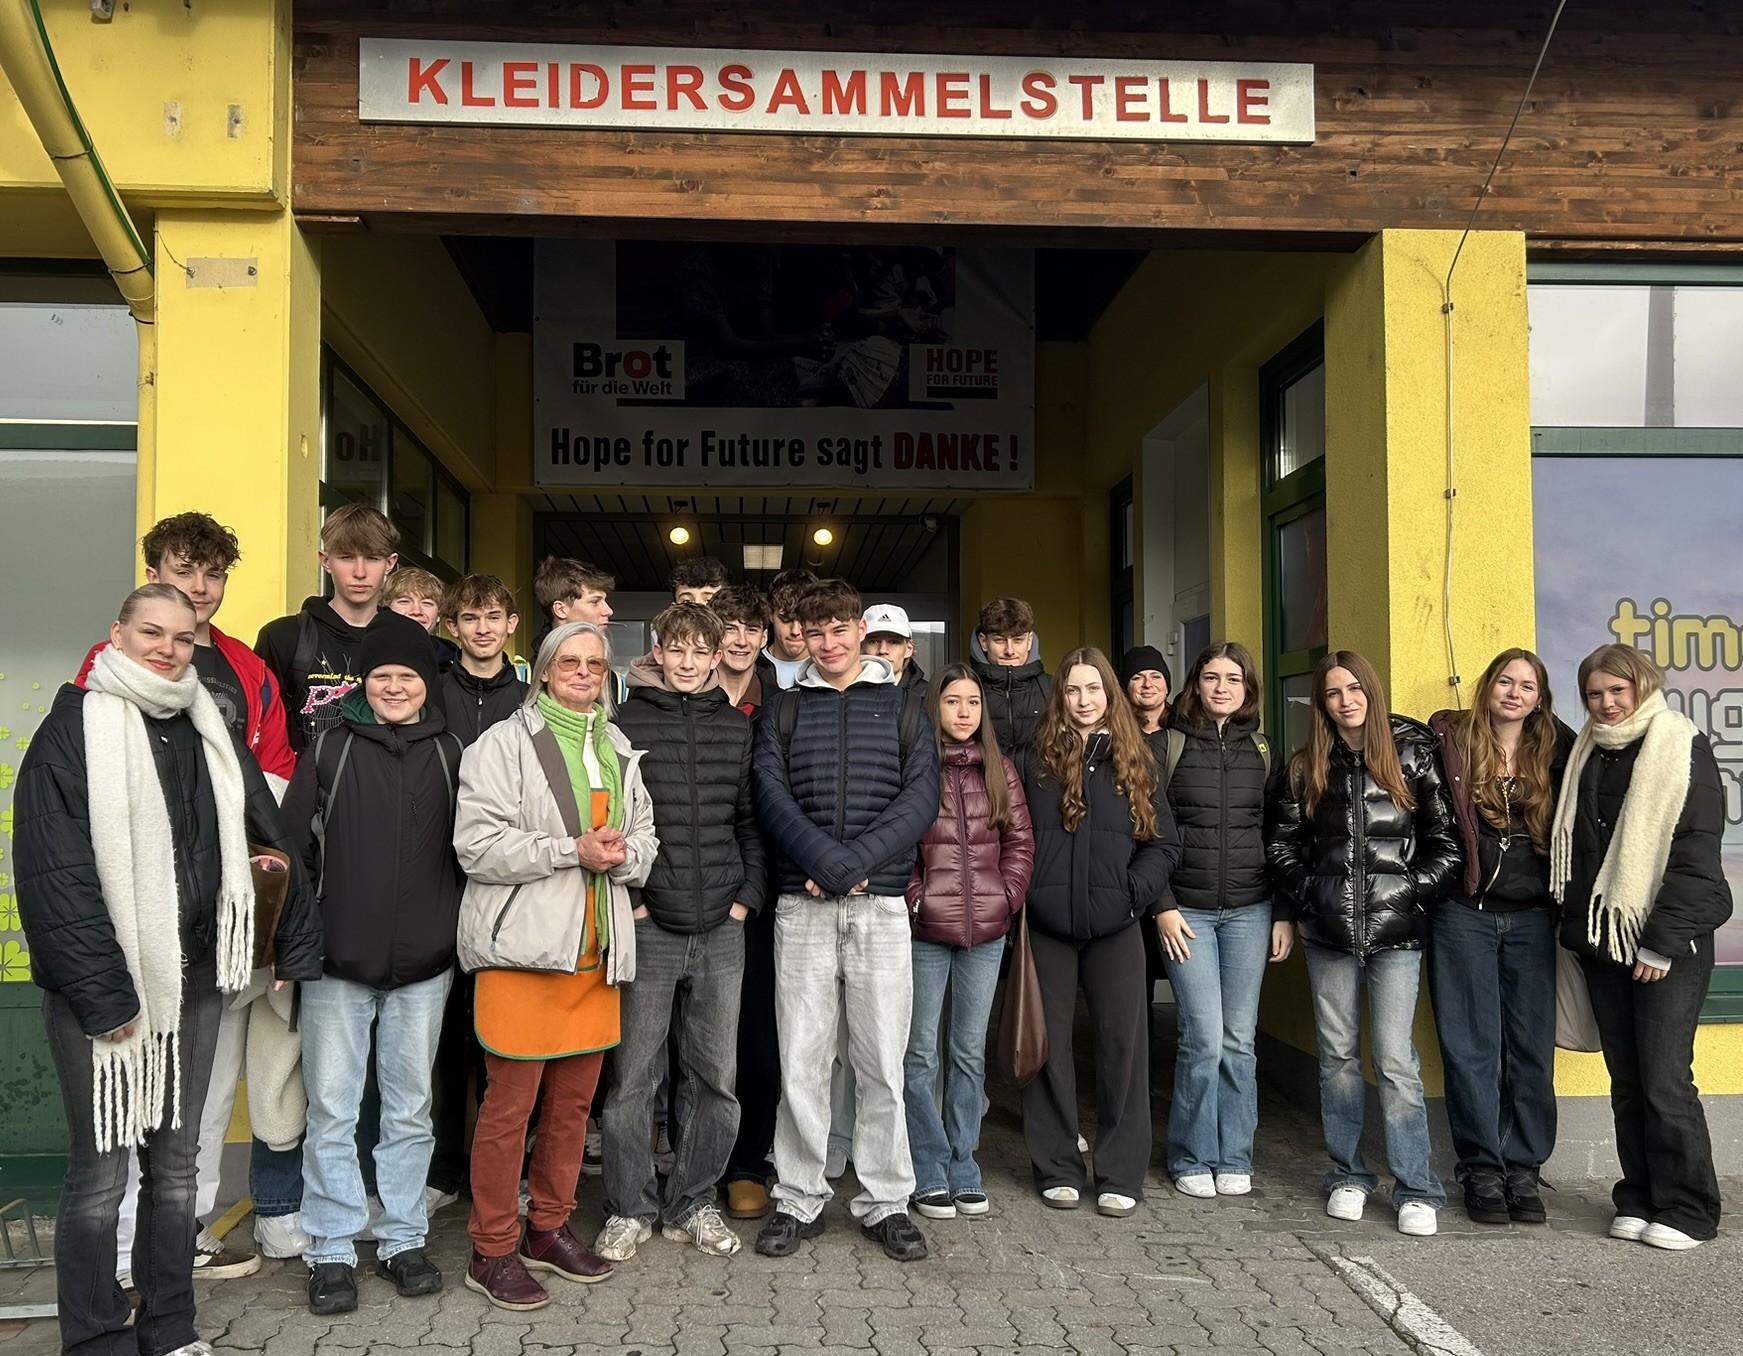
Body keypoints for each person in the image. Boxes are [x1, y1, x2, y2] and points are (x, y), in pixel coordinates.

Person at [15, 584, 321, 1356]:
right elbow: (55, 876)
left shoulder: (207, 729)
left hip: (193, 981)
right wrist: (103, 995)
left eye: (182, 638)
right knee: (100, 1175)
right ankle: (91, 1336)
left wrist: (290, 940)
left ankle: (169, 1326)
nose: (167, 648)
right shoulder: (72, 731)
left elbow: (268, 831)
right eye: (151, 632)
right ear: (117, 632)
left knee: (178, 1170)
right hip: (105, 991)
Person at [73, 513, 301, 1277]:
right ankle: (120, 1245)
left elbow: (272, 779)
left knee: (206, 1087)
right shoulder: (103, 667)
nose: (198, 589)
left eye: (212, 575)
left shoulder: (248, 669)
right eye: (182, 570)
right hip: (132, 914)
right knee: (135, 1081)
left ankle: (185, 1235)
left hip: (220, 912)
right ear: (153, 573)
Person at [452, 622, 657, 1311]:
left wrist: (626, 854)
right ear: (540, 671)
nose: (582, 672)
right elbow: (476, 846)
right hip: (523, 953)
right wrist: (573, 850)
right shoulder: (501, 745)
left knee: (571, 1108)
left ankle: (548, 1228)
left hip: (595, 955)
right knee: (509, 1110)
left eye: (594, 663)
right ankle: (492, 1248)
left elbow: (646, 839)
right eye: (568, 662)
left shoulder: (617, 744)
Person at [750, 578, 939, 1263]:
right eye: (814, 632)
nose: (828, 643)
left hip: (880, 904)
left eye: (839, 629)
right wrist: (826, 864)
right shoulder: (783, 711)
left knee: (880, 1063)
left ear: (860, 629)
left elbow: (920, 800)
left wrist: (854, 862)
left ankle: (886, 1201)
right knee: (801, 1059)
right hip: (801, 905)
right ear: (800, 636)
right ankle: (797, 1198)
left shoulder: (906, 708)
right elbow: (768, 796)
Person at [281, 612, 465, 1314]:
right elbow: (296, 855)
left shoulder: (451, 750)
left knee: (410, 1109)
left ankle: (401, 1237)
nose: (394, 688)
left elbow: (468, 854)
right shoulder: (330, 747)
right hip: (338, 962)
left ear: (426, 684)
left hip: (425, 965)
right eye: (382, 676)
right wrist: (298, 946)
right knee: (330, 1109)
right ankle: (329, 1248)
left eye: (407, 677)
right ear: (365, 682)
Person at [1265, 650, 1461, 1237]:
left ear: (1371, 693)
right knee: (1338, 1059)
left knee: (1396, 1060)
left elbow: (1446, 846)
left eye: (1356, 689)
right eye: (1333, 693)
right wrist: (1313, 897)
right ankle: (1347, 1175)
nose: (1346, 700)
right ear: (1321, 704)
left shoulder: (1413, 755)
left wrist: (1406, 895)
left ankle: (1416, 1187)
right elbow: (1280, 847)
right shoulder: (1305, 768)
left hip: (1396, 936)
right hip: (1327, 935)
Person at [1550, 644, 1732, 1251]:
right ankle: (1640, 1196)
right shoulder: (1587, 753)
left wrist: (1657, 944)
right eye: (1594, 694)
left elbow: (1696, 857)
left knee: (1664, 1080)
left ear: (1642, 688)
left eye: (1616, 692)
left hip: (1665, 946)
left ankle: (1690, 1209)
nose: (1604, 704)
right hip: (1605, 942)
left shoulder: (1682, 745)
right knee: (1626, 1080)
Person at [601, 603, 767, 1259]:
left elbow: (751, 822)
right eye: (678, 650)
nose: (691, 663)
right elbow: (613, 818)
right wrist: (636, 903)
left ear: (716, 654)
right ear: (659, 651)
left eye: (702, 652)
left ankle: (692, 1203)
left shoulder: (734, 726)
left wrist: (744, 901)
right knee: (632, 1079)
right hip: (651, 924)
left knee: (713, 1078)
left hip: (722, 924)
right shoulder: (625, 723)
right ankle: (628, 1208)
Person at [1021, 647, 1178, 1219]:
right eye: (1072, 690)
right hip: (1047, 926)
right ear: (1059, 696)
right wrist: (1029, 894)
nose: (1083, 701)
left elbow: (1163, 844)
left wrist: (1133, 895)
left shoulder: (1137, 759)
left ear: (1109, 695)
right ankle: (1057, 1165)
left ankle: (1119, 1171)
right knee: (1047, 1047)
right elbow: (1011, 837)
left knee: (1123, 1048)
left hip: (1116, 928)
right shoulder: (1034, 759)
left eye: (1094, 690)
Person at [1428, 648, 1574, 1226]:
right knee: (1471, 1047)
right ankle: (1482, 1169)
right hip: (1464, 912)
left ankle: (1524, 1169)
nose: (1515, 693)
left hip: (1535, 917)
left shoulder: (1558, 751)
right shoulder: (1453, 744)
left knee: (1530, 1050)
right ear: (1488, 686)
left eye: (1528, 686)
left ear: (1540, 698)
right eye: (1506, 682)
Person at [1155, 642, 1287, 1200]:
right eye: (1211, 677)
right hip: (1186, 913)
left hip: (1251, 912)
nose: (1222, 687)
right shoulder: (1168, 745)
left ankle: (1235, 1156)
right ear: (1195, 684)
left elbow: (1282, 836)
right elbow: (1146, 828)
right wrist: (1160, 905)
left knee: (1239, 1041)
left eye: (1233, 679)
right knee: (1203, 1038)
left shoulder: (1262, 748)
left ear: (1247, 688)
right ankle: (1190, 1155)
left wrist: (1284, 913)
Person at [904, 663, 1033, 1220]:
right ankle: (927, 1166)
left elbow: (1020, 842)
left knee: (966, 1052)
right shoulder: (916, 766)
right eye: (953, 701)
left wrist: (1004, 897)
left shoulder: (1000, 769)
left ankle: (964, 1163)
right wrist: (917, 897)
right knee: (918, 1053)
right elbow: (898, 843)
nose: (963, 712)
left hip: (985, 932)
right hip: (925, 931)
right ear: (936, 708)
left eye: (973, 703)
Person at [426, 573, 529, 1210]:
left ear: (512, 624)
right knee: (443, 1038)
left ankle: (508, 1171)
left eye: (494, 616)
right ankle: (443, 1169)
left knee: (508, 1037)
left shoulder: (532, 698)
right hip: (442, 877)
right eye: (470, 618)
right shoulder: (432, 693)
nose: (483, 628)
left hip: (515, 886)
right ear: (452, 627)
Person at [709, 585, 783, 1219]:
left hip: (760, 895)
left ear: (765, 637)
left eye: (750, 628)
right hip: (689, 892)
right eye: (727, 627)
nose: (740, 638)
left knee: (758, 1032)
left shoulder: (781, 707)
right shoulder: (683, 701)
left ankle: (747, 1162)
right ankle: (694, 1158)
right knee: (696, 1038)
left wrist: (753, 893)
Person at [256, 503, 398, 753]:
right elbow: (262, 729)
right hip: (303, 787)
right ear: (325, 560)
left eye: (373, 558)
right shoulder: (283, 637)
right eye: (347, 557)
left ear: (390, 563)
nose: (360, 572)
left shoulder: (407, 639)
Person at [970, 597, 1051, 780]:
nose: (1010, 650)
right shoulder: (964, 689)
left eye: (1018, 640)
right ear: (983, 642)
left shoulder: (1053, 688)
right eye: (999, 640)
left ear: (1029, 640)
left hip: (1042, 795)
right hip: (981, 794)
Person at [383, 566, 461, 670]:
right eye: (404, 601)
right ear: (385, 609)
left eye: (427, 603)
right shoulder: (364, 654)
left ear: (438, 614)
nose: (416, 611)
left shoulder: (457, 667)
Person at [712, 584, 770, 715]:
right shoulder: (689, 698)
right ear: (712, 634)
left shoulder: (779, 703)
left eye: (752, 630)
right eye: (730, 629)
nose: (742, 641)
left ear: (764, 638)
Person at [758, 567, 817, 690]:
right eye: (785, 619)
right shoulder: (750, 665)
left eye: (803, 620)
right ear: (770, 614)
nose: (795, 631)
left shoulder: (829, 667)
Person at [863, 603, 927, 692]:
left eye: (893, 642)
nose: (882, 650)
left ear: (908, 649)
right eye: (874, 641)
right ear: (861, 647)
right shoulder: (844, 693)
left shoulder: (928, 696)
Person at [1121, 645, 1172, 737]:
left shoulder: (1185, 726)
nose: (1147, 684)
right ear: (1126, 689)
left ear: (1167, 687)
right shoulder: (1115, 730)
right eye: (1137, 678)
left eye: (1155, 677)